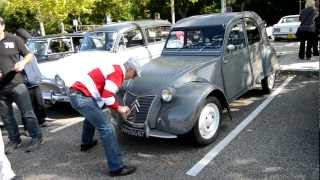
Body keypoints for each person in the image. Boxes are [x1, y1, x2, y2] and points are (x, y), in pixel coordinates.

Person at [68, 58, 140, 177]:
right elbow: (107, 97)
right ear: (130, 69)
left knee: (93, 115)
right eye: (135, 74)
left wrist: (115, 106)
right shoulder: (118, 73)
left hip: (77, 93)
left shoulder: (115, 68)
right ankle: (117, 168)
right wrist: (120, 108)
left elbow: (104, 93)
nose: (133, 77)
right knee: (107, 129)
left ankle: (87, 143)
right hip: (82, 97)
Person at [0, 16, 43, 154]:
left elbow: (29, 55)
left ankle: (36, 137)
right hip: (1, 88)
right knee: (6, 116)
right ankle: (14, 140)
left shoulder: (14, 39)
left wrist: (23, 63)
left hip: (17, 83)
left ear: (3, 25)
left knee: (27, 113)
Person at [15, 28, 48, 127]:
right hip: (25, 82)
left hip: (34, 80)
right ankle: (28, 125)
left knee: (39, 103)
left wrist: (38, 76)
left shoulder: (27, 48)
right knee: (27, 106)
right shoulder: (15, 50)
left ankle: (41, 120)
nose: (26, 40)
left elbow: (34, 63)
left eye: (26, 39)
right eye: (24, 39)